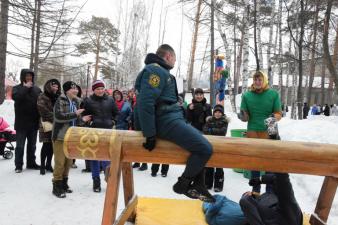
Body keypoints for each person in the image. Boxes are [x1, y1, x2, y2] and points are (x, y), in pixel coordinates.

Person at [134, 44, 214, 202]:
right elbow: (145, 102)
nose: (175, 62)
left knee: (201, 139)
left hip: (170, 118)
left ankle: (199, 184)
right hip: (165, 120)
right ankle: (183, 184)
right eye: (175, 59)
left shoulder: (162, 71)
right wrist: (149, 134)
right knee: (205, 149)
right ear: (169, 56)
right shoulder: (155, 70)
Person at [238, 71, 282, 194]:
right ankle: (256, 190)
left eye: (260, 80)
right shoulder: (246, 96)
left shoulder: (273, 94)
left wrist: (274, 117)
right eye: (255, 80)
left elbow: (279, 113)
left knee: (269, 162)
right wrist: (242, 115)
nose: (257, 82)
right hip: (253, 129)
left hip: (270, 128)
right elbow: (245, 116)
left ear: (265, 80)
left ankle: (269, 191)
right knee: (255, 161)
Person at [52, 81, 91, 198]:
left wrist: (82, 119)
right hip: (60, 136)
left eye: (76, 88)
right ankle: (56, 185)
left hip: (71, 137)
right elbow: (58, 117)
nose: (76, 90)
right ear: (67, 90)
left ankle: (64, 183)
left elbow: (75, 120)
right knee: (60, 163)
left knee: (68, 163)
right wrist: (75, 114)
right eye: (72, 89)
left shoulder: (75, 102)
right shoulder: (60, 100)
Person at [83, 80, 119, 192]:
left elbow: (116, 113)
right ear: (94, 90)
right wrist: (90, 123)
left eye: (102, 88)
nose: (100, 91)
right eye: (98, 89)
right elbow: (84, 115)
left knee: (107, 157)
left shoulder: (110, 100)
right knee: (95, 157)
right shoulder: (88, 101)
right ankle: (96, 181)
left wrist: (113, 121)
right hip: (94, 132)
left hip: (108, 132)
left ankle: (109, 180)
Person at [12, 69, 42, 173]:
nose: (29, 78)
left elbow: (42, 102)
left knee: (32, 146)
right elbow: (16, 97)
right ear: (23, 77)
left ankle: (31, 163)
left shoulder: (37, 90)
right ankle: (18, 165)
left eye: (30, 76)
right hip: (21, 124)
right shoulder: (16, 88)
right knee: (20, 146)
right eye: (27, 76)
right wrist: (25, 88)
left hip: (33, 123)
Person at [203, 104, 229, 192]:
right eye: (216, 112)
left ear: (222, 114)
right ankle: (207, 183)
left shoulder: (224, 121)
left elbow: (222, 132)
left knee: (219, 166)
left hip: (220, 146)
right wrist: (212, 130)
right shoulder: (209, 120)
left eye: (219, 112)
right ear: (213, 113)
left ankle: (218, 185)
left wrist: (211, 130)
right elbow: (205, 130)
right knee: (209, 165)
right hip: (210, 145)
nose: (217, 114)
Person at [37, 79, 61, 175]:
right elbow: (43, 110)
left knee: (52, 145)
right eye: (53, 86)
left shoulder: (58, 97)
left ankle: (48, 164)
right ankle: (42, 165)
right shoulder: (42, 96)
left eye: (57, 86)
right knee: (46, 145)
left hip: (56, 124)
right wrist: (56, 118)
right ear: (48, 86)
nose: (55, 88)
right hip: (45, 124)